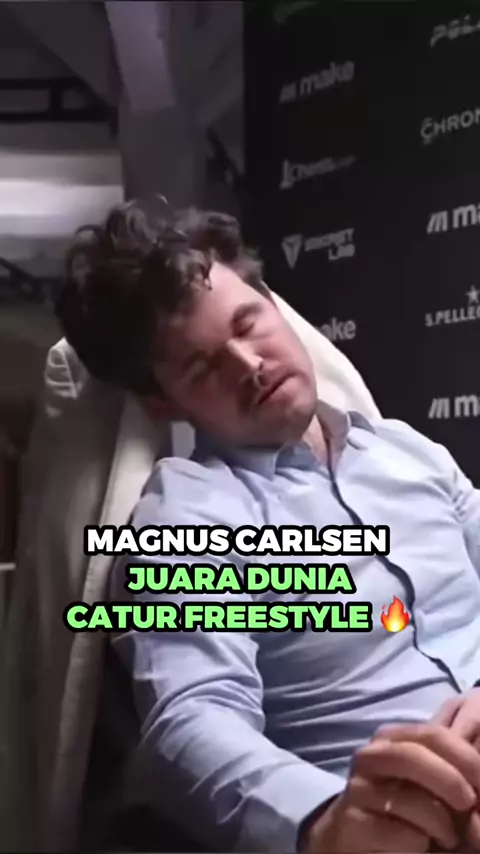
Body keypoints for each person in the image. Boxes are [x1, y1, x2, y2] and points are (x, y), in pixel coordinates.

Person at [55, 198, 480, 854]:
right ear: (163, 402)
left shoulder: (408, 450)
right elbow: (190, 718)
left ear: (274, 305)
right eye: (202, 365)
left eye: (248, 323)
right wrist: (323, 820)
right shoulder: (189, 518)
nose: (249, 365)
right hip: (409, 821)